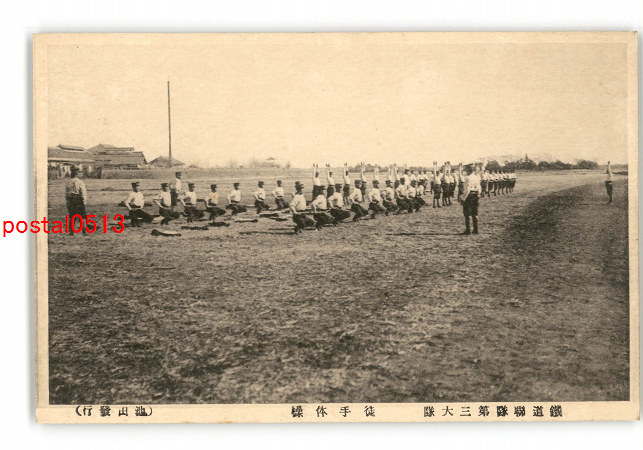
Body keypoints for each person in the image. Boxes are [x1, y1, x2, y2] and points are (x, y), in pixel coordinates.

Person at [65, 166, 88, 234]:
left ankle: (71, 231)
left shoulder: (68, 182)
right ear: (77, 173)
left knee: (72, 215)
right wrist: (84, 201)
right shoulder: (80, 182)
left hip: (70, 199)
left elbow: (66, 193)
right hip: (78, 199)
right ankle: (84, 230)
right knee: (82, 216)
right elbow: (83, 192)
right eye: (79, 173)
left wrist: (67, 201)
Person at [461, 164, 482, 235]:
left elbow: (467, 190)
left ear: (468, 170)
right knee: (475, 213)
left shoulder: (467, 178)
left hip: (469, 196)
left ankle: (468, 230)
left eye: (466, 170)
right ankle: (476, 229)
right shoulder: (477, 177)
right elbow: (479, 187)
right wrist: (478, 194)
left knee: (467, 214)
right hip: (475, 195)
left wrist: (463, 198)